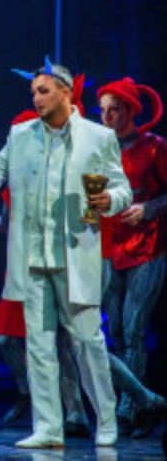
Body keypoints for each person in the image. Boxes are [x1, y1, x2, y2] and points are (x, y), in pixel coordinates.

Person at [0, 57, 132, 448]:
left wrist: (111, 200)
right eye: (33, 92)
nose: (36, 98)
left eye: (43, 91)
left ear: (66, 93)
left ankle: (106, 419)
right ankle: (48, 427)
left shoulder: (98, 137)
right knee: (39, 345)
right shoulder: (20, 135)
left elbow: (123, 188)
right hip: (32, 258)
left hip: (75, 254)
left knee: (87, 342)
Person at [0, 193, 91, 437]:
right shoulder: (13, 186)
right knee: (6, 340)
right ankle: (27, 391)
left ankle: (77, 414)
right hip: (19, 271)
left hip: (52, 266)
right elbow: (5, 224)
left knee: (59, 342)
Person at [97, 77, 167, 437]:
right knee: (116, 331)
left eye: (115, 110)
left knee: (134, 327)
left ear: (130, 111)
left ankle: (130, 408)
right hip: (110, 245)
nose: (107, 116)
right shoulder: (99, 149)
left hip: (148, 245)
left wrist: (149, 208)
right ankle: (141, 402)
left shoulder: (155, 147)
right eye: (103, 110)